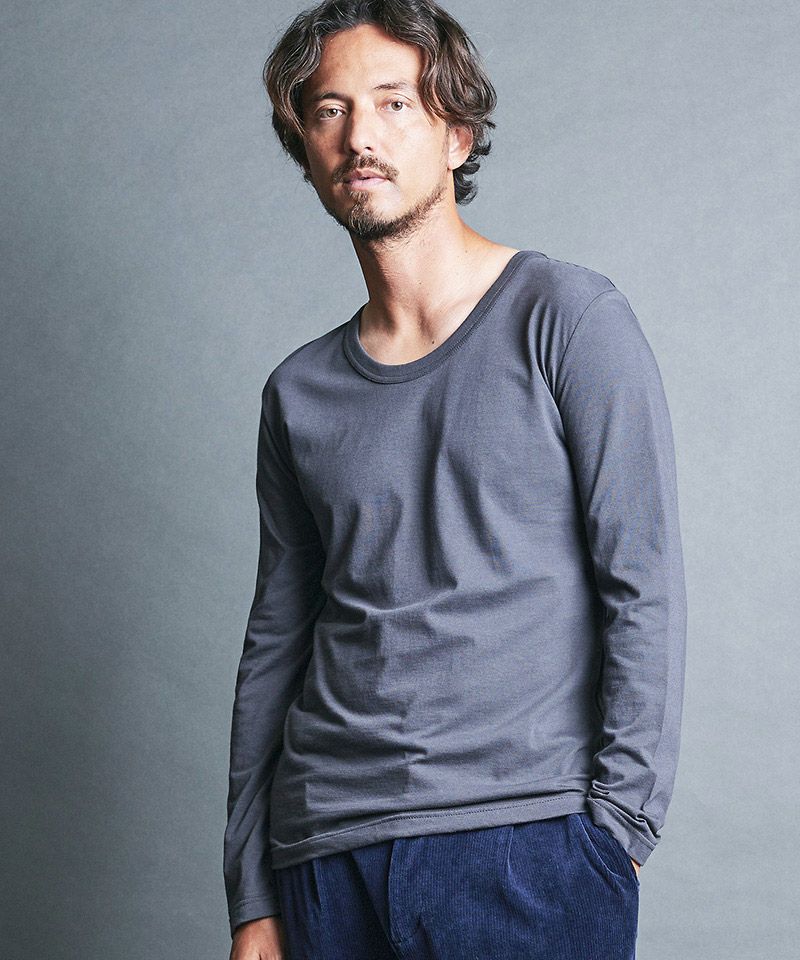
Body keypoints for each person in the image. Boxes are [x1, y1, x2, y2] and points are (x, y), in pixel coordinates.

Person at [223, 1, 687, 958]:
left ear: (457, 134)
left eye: (395, 102)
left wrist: (620, 832)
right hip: (324, 856)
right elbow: (277, 639)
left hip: (527, 844)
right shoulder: (297, 393)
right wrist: (253, 894)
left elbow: (642, 583)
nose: (361, 136)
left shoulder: (567, 318)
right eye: (330, 110)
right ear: (305, 144)